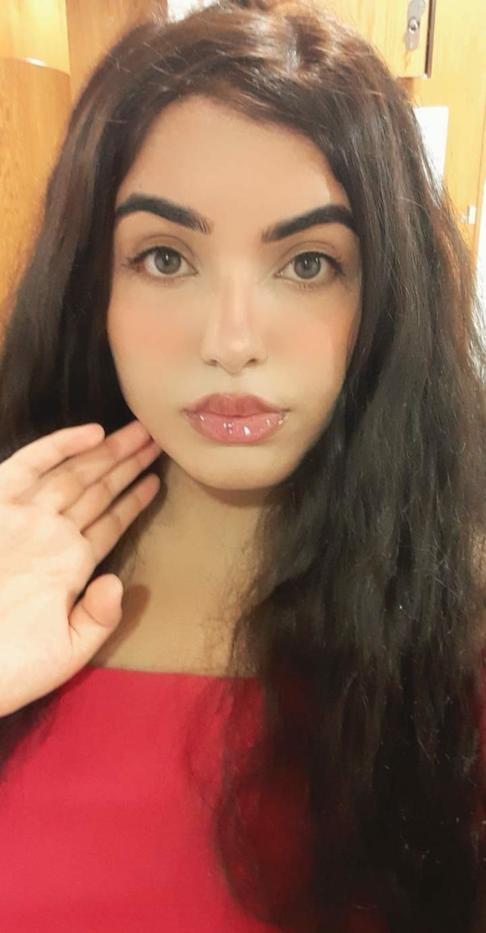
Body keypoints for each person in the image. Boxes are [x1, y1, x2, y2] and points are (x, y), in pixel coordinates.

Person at [0, 0, 484, 929]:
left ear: (384, 295)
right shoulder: (16, 543)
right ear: (91, 284)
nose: (230, 340)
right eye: (165, 257)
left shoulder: (456, 607)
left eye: (307, 264)